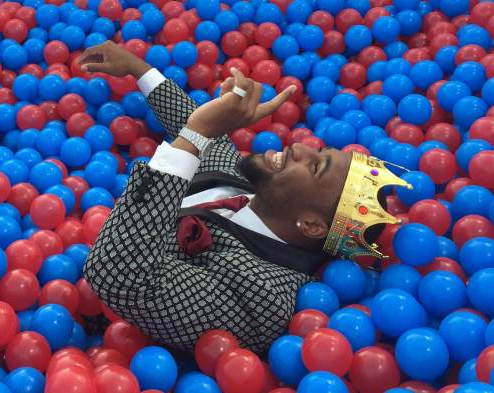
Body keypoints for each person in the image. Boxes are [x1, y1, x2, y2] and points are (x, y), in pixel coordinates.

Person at [80, 41, 411, 353]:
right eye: (320, 151)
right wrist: (138, 69)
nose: (300, 147)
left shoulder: (261, 295)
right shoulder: (249, 186)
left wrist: (197, 135)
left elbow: (120, 277)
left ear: (311, 225)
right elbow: (209, 137)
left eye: (315, 167)